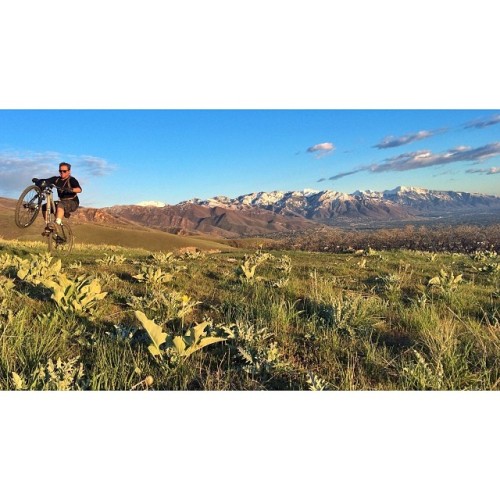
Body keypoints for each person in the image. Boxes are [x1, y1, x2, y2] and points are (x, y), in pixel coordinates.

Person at [32, 162, 82, 229]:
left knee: (60, 204)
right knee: (44, 207)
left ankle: (56, 223)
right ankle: (48, 226)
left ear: (69, 171)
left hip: (73, 202)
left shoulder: (72, 180)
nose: (62, 172)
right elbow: (46, 181)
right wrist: (38, 181)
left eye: (64, 171)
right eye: (60, 171)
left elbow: (79, 189)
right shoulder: (56, 179)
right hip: (62, 201)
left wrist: (70, 189)